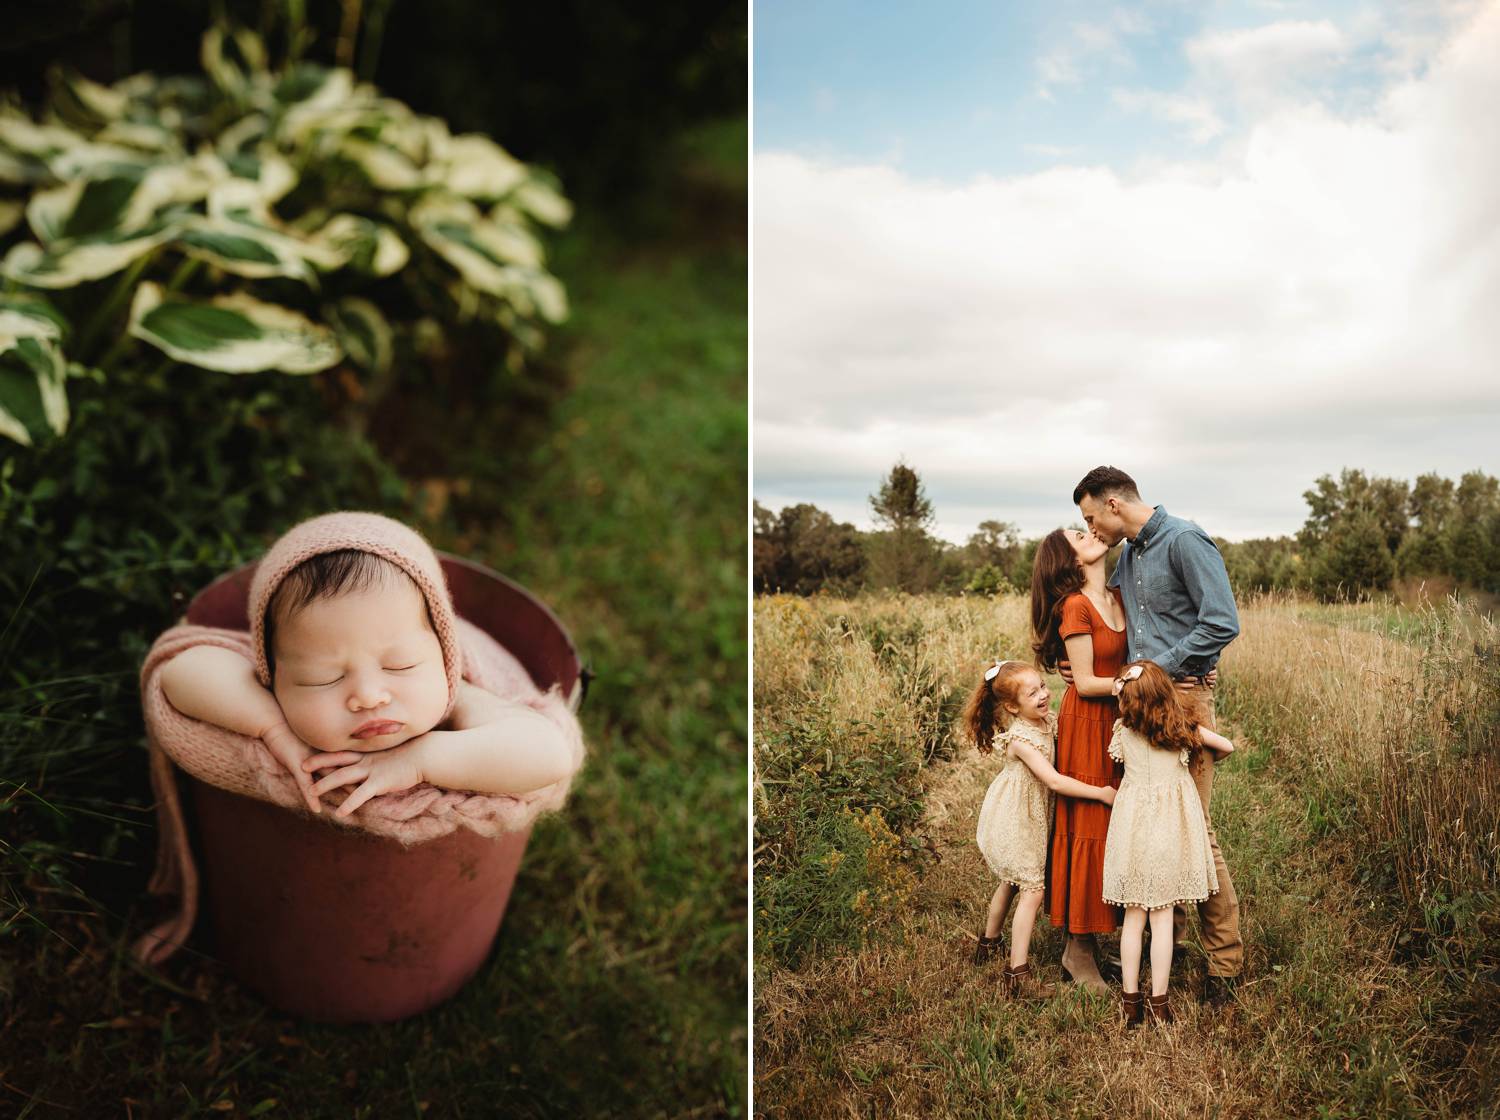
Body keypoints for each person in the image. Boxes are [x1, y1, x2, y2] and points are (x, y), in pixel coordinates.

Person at [160, 517, 577, 816]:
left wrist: (421, 759)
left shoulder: (458, 693)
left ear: (443, 656)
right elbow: (181, 672)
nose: (368, 696)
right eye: (324, 677)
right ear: (274, 674)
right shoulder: (272, 683)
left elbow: (549, 753)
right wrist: (271, 726)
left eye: (400, 665)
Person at [1070, 465, 1243, 1005]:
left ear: (1114, 504)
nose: (1092, 529)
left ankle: (1226, 963)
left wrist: (1156, 672)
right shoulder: (1129, 556)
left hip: (1180, 697)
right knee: (1151, 826)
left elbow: (1221, 622)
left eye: (1092, 517)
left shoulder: (1184, 540)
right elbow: (1116, 619)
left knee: (1195, 830)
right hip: (1137, 702)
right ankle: (1172, 941)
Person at [963, 659, 1116, 999]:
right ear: (1012, 707)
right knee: (1032, 888)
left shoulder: (1047, 722)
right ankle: (1018, 975)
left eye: (1043, 687)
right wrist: (1101, 793)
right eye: (1033, 694)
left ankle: (988, 944)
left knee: (1012, 881)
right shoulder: (1019, 738)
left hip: (1032, 814)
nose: (1044, 695)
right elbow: (1054, 780)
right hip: (1017, 817)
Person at [1103, 661, 1234, 1027]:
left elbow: (1117, 758)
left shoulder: (1122, 732)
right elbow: (1227, 747)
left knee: (1133, 917)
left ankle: (1130, 1001)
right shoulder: (1183, 730)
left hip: (1132, 829)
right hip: (1168, 831)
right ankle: (1159, 1001)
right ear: (1167, 694)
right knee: (1161, 918)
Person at [1030, 527, 1128, 994]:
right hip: (1088, 722)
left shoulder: (1116, 595)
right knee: (1090, 823)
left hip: (1120, 724)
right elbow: (1086, 682)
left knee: (1115, 829)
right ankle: (1077, 948)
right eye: (1076, 534)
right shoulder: (1076, 605)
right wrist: (1141, 686)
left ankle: (1097, 933)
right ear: (1067, 560)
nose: (1087, 532)